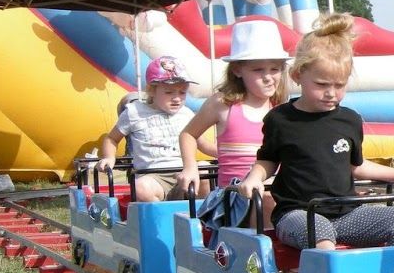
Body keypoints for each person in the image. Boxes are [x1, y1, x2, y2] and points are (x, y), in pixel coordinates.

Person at [237, 14, 394, 250]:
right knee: (321, 234)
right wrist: (254, 178)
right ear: (298, 75)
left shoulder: (349, 119)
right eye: (321, 84)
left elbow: (356, 166)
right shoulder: (281, 119)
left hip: (347, 214)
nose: (331, 93)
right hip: (297, 214)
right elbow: (267, 161)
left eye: (339, 85)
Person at [177, 21, 289, 205]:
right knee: (268, 200)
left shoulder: (281, 109)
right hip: (232, 199)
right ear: (237, 70)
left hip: (273, 194)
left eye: (275, 69)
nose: (268, 77)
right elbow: (188, 134)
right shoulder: (222, 104)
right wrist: (190, 167)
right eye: (258, 69)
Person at [98, 56, 198, 202]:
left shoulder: (187, 113)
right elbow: (111, 138)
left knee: (206, 171)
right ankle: (161, 220)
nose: (177, 98)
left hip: (184, 173)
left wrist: (221, 152)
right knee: (140, 187)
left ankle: (202, 219)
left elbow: (200, 141)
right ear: (151, 90)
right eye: (169, 92)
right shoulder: (134, 112)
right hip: (153, 176)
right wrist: (109, 157)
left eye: (182, 93)